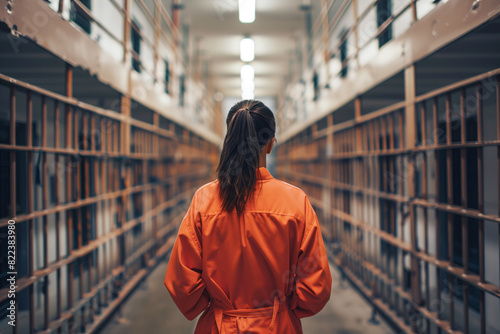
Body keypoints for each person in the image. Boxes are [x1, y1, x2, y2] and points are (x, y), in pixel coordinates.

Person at [164, 99, 332, 333]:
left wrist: (214, 305)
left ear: (230, 140)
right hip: (278, 326)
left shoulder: (204, 200)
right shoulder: (296, 202)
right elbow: (317, 287)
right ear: (271, 144)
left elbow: (182, 283)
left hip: (219, 326)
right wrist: (283, 307)